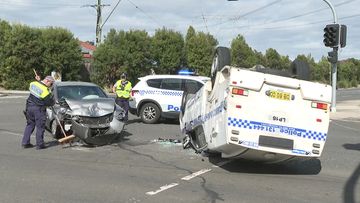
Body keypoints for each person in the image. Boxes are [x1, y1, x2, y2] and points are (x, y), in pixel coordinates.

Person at [22, 75, 55, 149]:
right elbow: (48, 102)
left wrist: (39, 81)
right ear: (47, 81)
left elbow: (38, 86)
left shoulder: (33, 83)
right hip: (38, 110)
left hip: (29, 108)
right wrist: (53, 102)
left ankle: (25, 142)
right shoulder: (45, 91)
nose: (51, 86)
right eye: (51, 84)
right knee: (40, 126)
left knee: (30, 125)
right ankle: (40, 144)